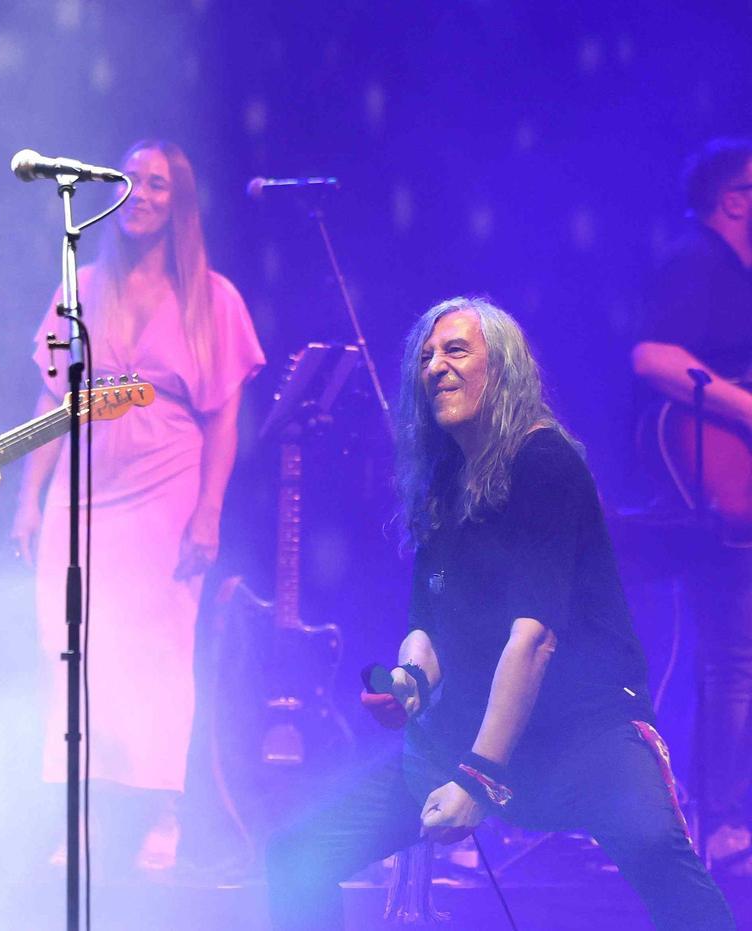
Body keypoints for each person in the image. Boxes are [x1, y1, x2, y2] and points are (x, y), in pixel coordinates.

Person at [266, 297, 735, 930]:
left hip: (583, 733)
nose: (435, 366)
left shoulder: (544, 462)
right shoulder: (443, 479)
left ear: (504, 369)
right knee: (298, 853)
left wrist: (478, 777)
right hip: (468, 728)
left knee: (660, 857)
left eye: (456, 351)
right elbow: (426, 626)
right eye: (426, 357)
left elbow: (532, 639)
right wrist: (410, 682)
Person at [10, 139, 264, 871]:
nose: (143, 195)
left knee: (156, 650)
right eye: (133, 183)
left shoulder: (212, 298)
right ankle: (78, 814)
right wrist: (28, 501)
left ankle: (162, 808)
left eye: (158, 185)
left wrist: (209, 512)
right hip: (82, 493)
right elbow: (50, 400)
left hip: (166, 488)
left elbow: (224, 420)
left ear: (179, 203)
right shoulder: (80, 284)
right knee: (75, 647)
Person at [631, 137, 752, 871]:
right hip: (712, 488)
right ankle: (718, 824)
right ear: (736, 198)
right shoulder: (696, 260)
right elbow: (653, 357)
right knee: (732, 656)